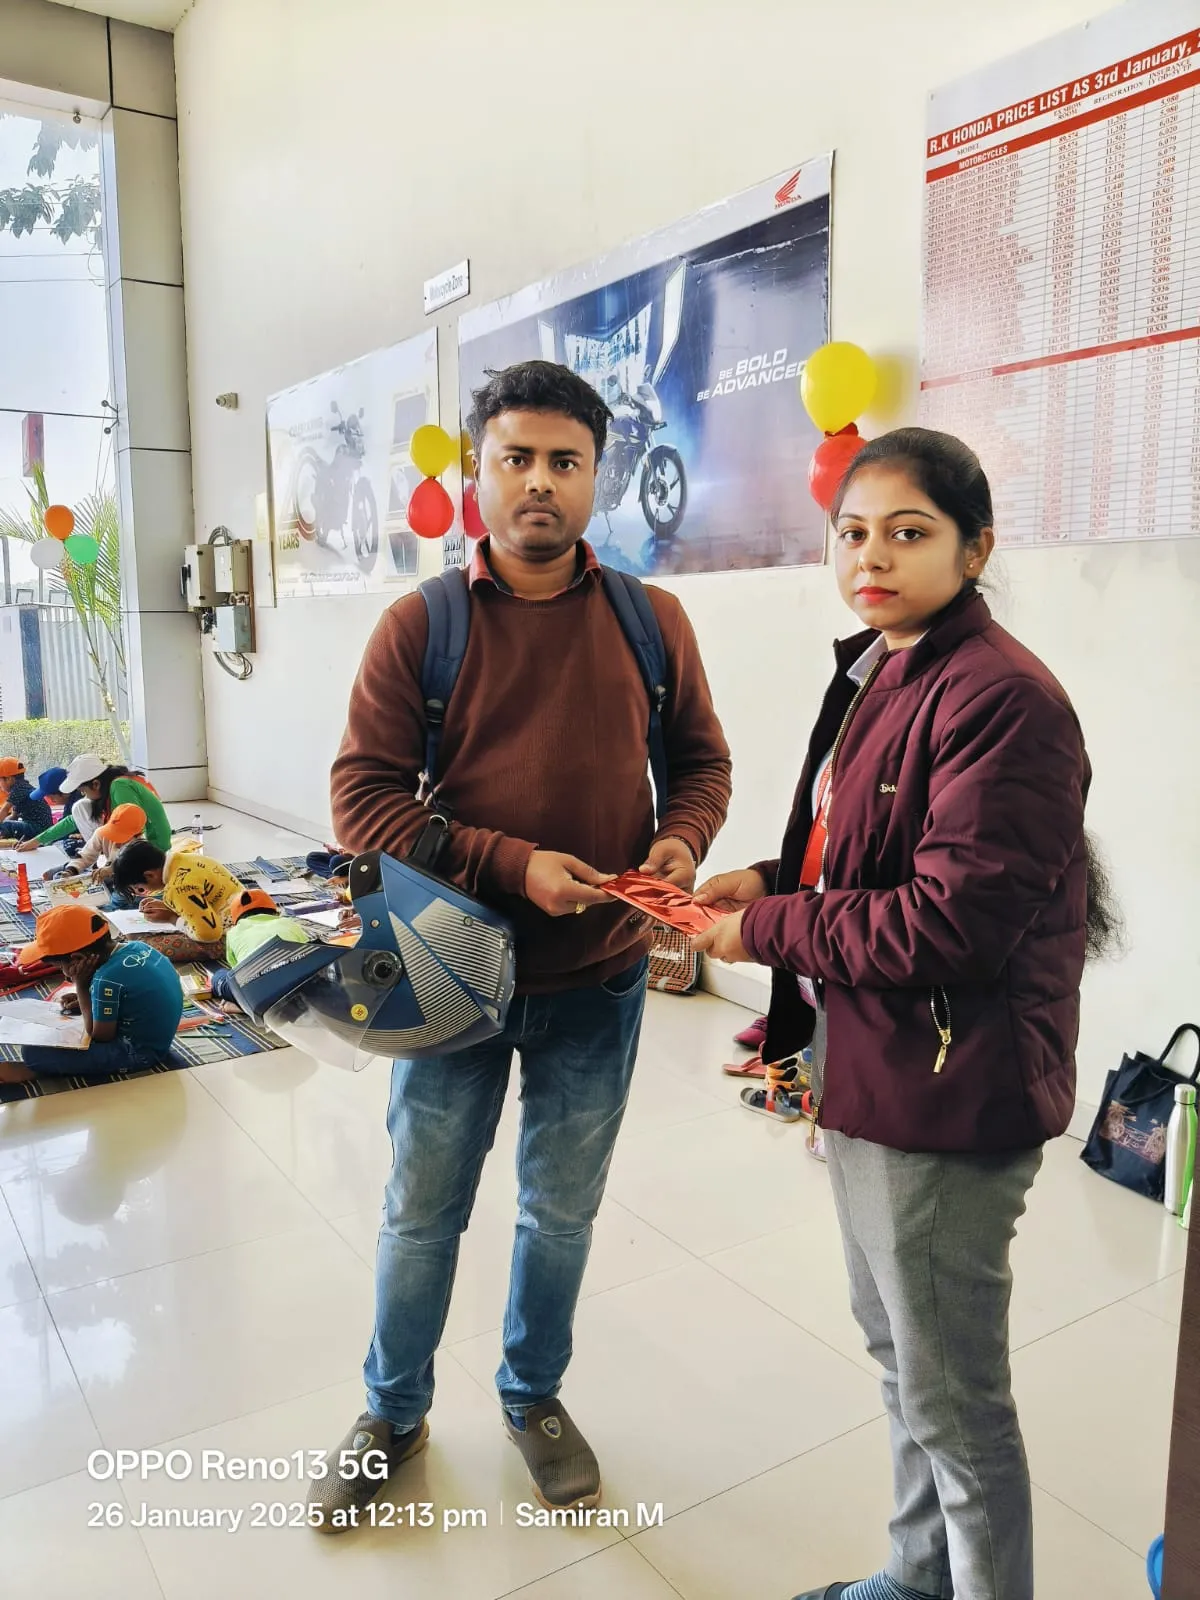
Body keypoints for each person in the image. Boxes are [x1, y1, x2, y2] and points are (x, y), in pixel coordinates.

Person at [692, 428, 1117, 1600]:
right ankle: (916, 1577)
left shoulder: (1005, 699)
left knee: (954, 1401)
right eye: (852, 532)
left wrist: (765, 932)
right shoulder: (886, 664)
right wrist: (768, 879)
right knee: (900, 1353)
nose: (870, 556)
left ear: (976, 548)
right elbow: (864, 849)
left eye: (908, 532)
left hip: (953, 1084)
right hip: (873, 1058)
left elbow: (947, 924)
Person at [317, 359, 731, 1529]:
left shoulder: (650, 621)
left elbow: (701, 763)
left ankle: (532, 1395)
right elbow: (362, 801)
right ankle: (391, 1413)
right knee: (422, 1211)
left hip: (600, 981)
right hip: (450, 976)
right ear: (477, 472)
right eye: (516, 459)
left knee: (561, 1211)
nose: (539, 482)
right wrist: (510, 864)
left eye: (565, 461)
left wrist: (681, 840)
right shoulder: (424, 626)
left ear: (597, 476)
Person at [0, 903, 183, 1086]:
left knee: (33, 1054)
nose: (64, 973)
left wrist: (81, 986)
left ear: (77, 959)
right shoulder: (138, 946)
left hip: (139, 1054)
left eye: (61, 966)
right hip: (159, 1040)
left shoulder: (106, 979)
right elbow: (132, 994)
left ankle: (40, 1071)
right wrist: (89, 998)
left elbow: (100, 1036)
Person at [19, 755, 173, 855]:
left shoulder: (120, 786)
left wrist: (114, 864)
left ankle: (104, 857)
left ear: (96, 784)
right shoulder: (109, 787)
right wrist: (37, 841)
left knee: (82, 808)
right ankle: (98, 854)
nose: (83, 794)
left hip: (153, 847)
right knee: (80, 807)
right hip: (135, 841)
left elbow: (134, 828)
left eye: (83, 790)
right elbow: (72, 820)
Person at [109, 839, 242, 947]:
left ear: (150, 875)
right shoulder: (187, 857)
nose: (143, 893)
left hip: (235, 933)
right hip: (246, 909)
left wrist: (171, 918)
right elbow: (197, 897)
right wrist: (169, 906)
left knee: (144, 944)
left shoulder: (176, 889)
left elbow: (209, 935)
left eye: (140, 889)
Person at [209, 888, 311, 1008]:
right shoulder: (289, 923)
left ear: (236, 920)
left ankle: (243, 1007)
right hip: (300, 987)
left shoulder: (233, 933)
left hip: (257, 996)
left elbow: (236, 972)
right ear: (275, 911)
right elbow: (309, 952)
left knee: (219, 976)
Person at [0, 758, 53, 840]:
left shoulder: (18, 789)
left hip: (39, 828)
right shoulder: (23, 787)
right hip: (39, 826)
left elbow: (4, 810)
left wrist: (3, 825)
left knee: (6, 825)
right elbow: (14, 816)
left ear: (9, 779)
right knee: (6, 824)